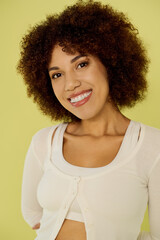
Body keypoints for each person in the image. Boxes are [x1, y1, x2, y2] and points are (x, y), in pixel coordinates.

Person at [17, 0, 160, 239]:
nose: (70, 84)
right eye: (57, 74)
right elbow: (33, 214)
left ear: (110, 61)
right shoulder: (44, 142)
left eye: (81, 64)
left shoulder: (152, 147)